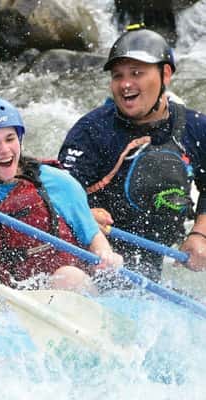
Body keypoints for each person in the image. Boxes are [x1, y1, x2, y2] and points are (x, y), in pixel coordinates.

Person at [57, 27, 206, 280]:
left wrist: (200, 234)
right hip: (104, 260)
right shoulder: (91, 131)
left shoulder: (196, 128)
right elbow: (59, 195)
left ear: (165, 74)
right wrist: (84, 215)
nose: (125, 84)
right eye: (118, 76)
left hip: (166, 256)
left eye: (136, 73)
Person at [0, 98, 123, 292]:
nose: (5, 150)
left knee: (69, 276)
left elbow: (94, 237)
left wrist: (107, 256)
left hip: (63, 291)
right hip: (1, 296)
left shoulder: (58, 183)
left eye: (10, 139)